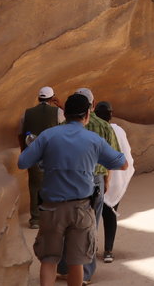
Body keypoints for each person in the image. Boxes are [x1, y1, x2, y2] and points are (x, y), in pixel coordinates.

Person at [17, 93, 126, 286]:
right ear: (87, 115)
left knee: (49, 260)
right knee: (78, 262)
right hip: (81, 208)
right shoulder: (93, 140)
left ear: (65, 114)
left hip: (51, 208)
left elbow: (23, 162)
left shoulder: (48, 135)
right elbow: (122, 164)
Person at [57, 87, 120, 283]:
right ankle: (85, 273)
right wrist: (107, 180)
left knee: (67, 223)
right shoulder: (103, 126)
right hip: (95, 180)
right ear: (91, 105)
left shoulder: (62, 126)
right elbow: (114, 158)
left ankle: (65, 267)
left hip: (68, 179)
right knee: (91, 226)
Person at [93, 101, 135, 264]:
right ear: (110, 114)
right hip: (116, 178)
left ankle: (92, 247)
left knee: (92, 217)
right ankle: (108, 251)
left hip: (95, 178)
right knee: (110, 215)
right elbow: (126, 154)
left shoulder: (91, 128)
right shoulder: (117, 130)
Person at [19, 86, 64, 229]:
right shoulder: (58, 112)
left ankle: (35, 219)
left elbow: (20, 134)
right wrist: (60, 105)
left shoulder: (27, 113)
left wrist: (24, 151)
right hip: (53, 154)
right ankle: (51, 217)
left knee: (34, 185)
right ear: (52, 98)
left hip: (33, 153)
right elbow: (70, 124)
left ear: (39, 98)